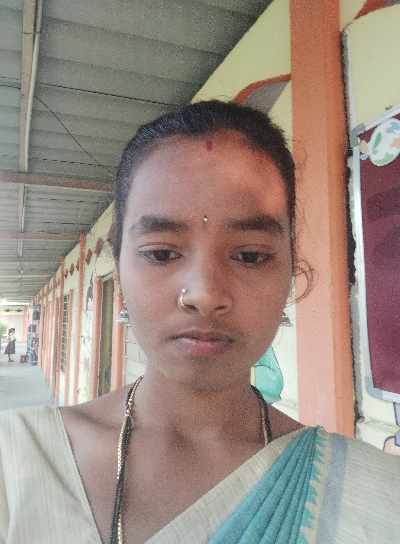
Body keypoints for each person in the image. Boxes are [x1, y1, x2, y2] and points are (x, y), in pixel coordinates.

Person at [0, 100, 399, 544]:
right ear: (120, 265)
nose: (205, 294)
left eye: (250, 256)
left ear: (291, 267)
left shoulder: (376, 499)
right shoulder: (16, 464)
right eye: (161, 253)